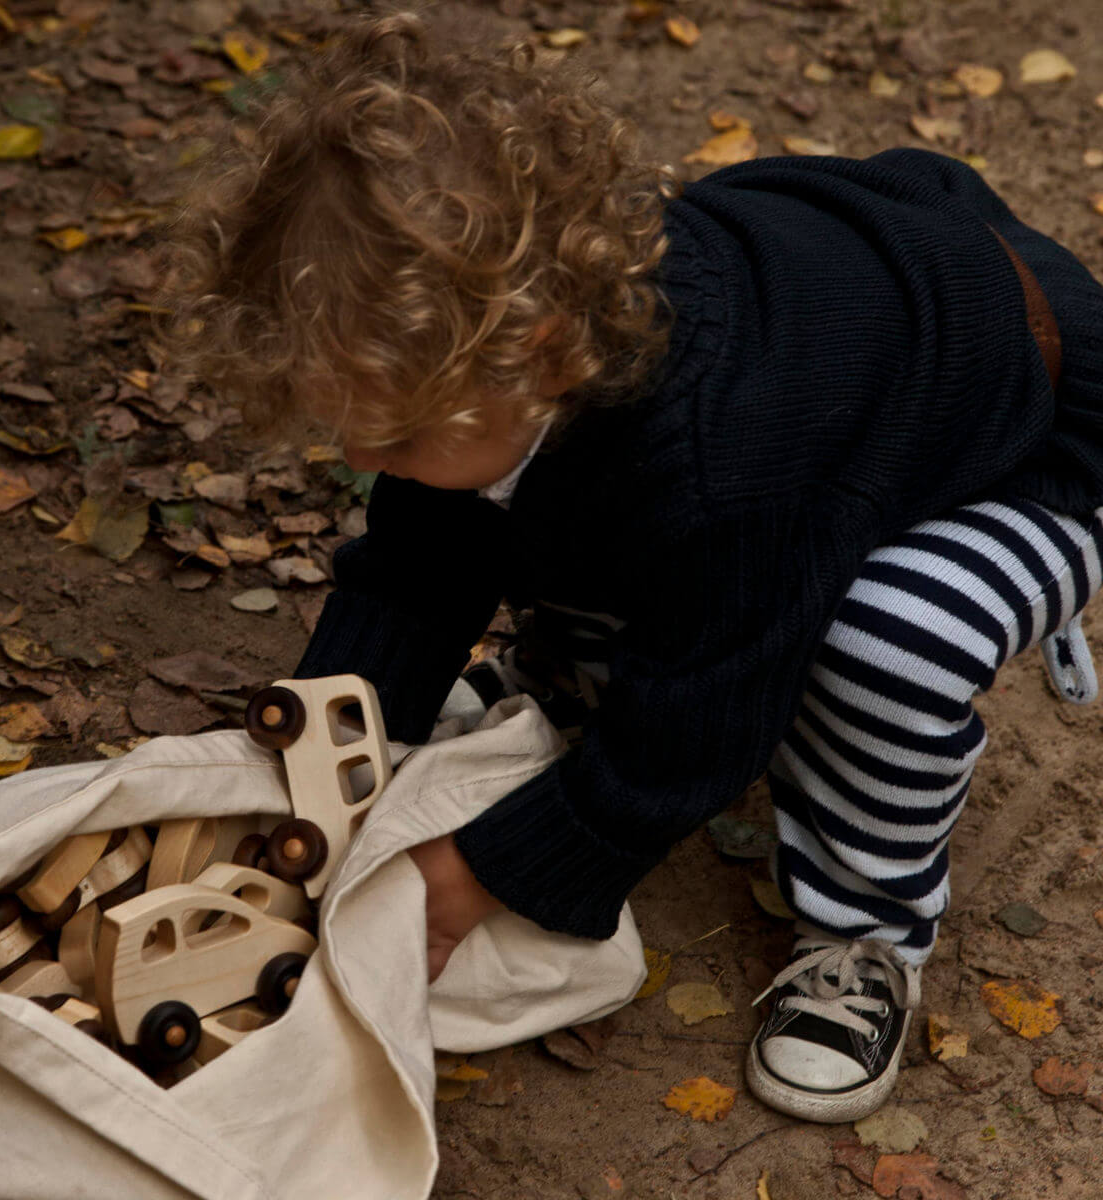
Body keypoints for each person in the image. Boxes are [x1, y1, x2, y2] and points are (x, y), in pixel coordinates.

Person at [156, 12, 1103, 1123]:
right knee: (553, 504)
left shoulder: (722, 459)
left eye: (398, 437)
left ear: (545, 351)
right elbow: (419, 565)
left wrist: (472, 877)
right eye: (353, 433)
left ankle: (867, 932)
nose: (369, 461)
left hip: (1027, 443)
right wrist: (336, 728)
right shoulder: (502, 364)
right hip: (856, 366)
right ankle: (579, 676)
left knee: (883, 641)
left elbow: (700, 729)